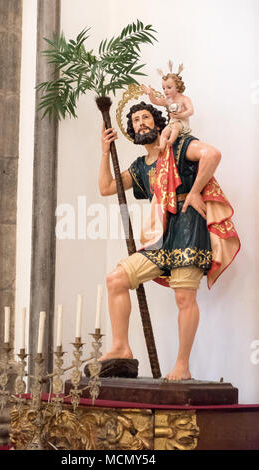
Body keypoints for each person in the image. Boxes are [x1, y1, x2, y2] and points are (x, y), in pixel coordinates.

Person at [98, 101, 222, 381]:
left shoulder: (179, 146)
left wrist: (195, 191)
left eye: (145, 117)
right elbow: (106, 187)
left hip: (189, 225)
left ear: (157, 122)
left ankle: (182, 365)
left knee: (184, 297)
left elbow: (212, 155)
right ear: (132, 131)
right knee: (116, 279)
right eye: (135, 121)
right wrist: (105, 153)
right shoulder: (141, 166)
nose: (141, 123)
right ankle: (121, 346)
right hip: (160, 233)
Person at [142, 63, 194, 152]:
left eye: (169, 87)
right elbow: (156, 101)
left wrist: (180, 115)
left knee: (175, 127)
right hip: (172, 122)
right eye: (163, 88)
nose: (165, 90)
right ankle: (162, 146)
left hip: (182, 123)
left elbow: (191, 111)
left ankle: (170, 141)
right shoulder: (168, 100)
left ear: (178, 87)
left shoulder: (184, 99)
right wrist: (150, 94)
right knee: (164, 132)